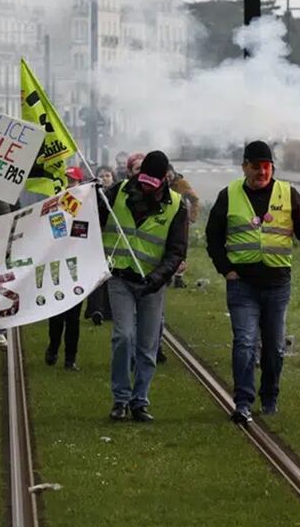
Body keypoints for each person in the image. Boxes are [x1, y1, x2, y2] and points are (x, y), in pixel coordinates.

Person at [205, 141, 300, 424]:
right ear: (244, 166)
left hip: (276, 285)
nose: (262, 172)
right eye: (256, 166)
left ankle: (270, 396)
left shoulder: (287, 193)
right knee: (244, 343)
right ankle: (243, 402)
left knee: (273, 347)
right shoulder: (229, 195)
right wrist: (226, 270)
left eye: (267, 167)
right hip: (242, 285)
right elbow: (213, 236)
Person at [102, 151, 188, 423]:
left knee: (148, 344)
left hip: (152, 283)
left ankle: (140, 400)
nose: (146, 186)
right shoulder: (118, 193)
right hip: (120, 276)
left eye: (152, 182)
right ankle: (120, 399)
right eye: (143, 179)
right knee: (123, 336)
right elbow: (91, 217)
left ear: (165, 179)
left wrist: (156, 279)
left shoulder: (176, 206)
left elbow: (177, 251)